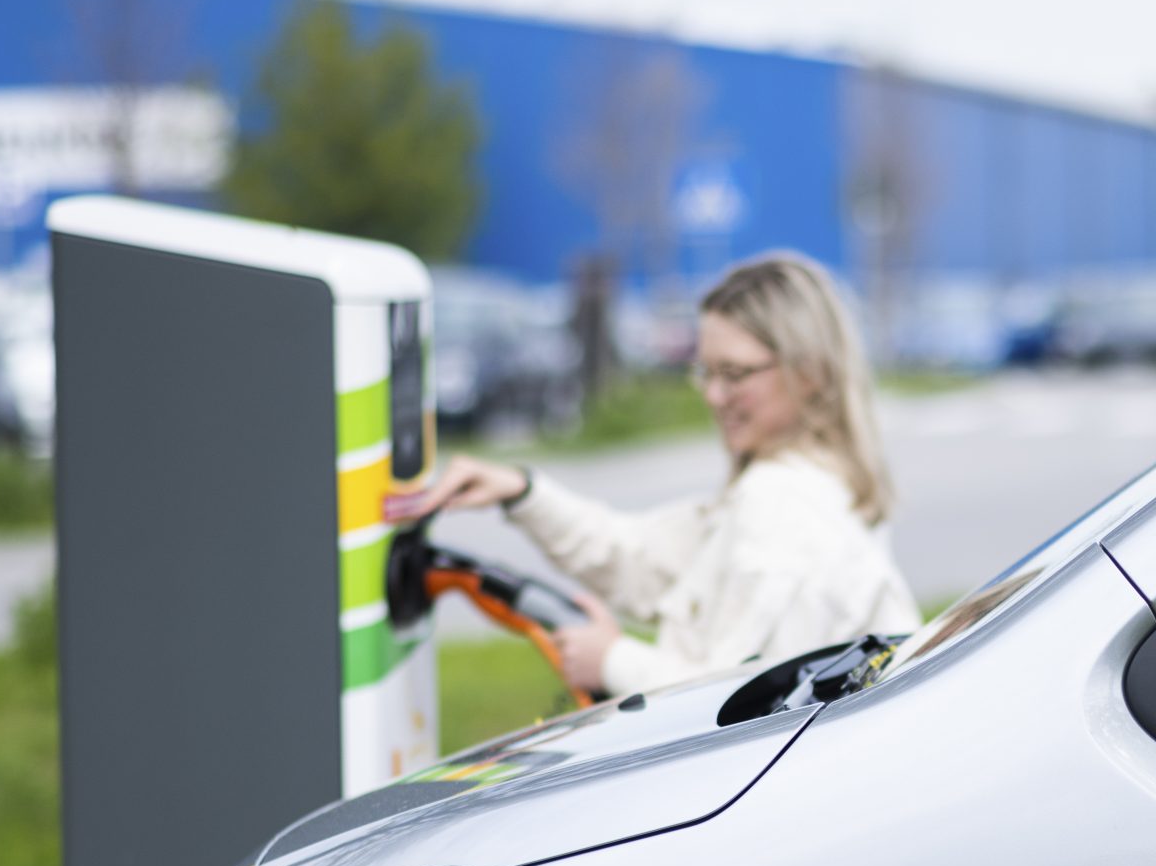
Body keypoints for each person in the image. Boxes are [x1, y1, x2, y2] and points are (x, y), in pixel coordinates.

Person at [386, 252, 918, 698]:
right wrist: (523, 493)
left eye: (735, 373)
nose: (714, 396)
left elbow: (743, 707)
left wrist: (611, 660)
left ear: (811, 372)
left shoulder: (784, 509)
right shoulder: (805, 489)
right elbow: (638, 557)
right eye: (706, 371)